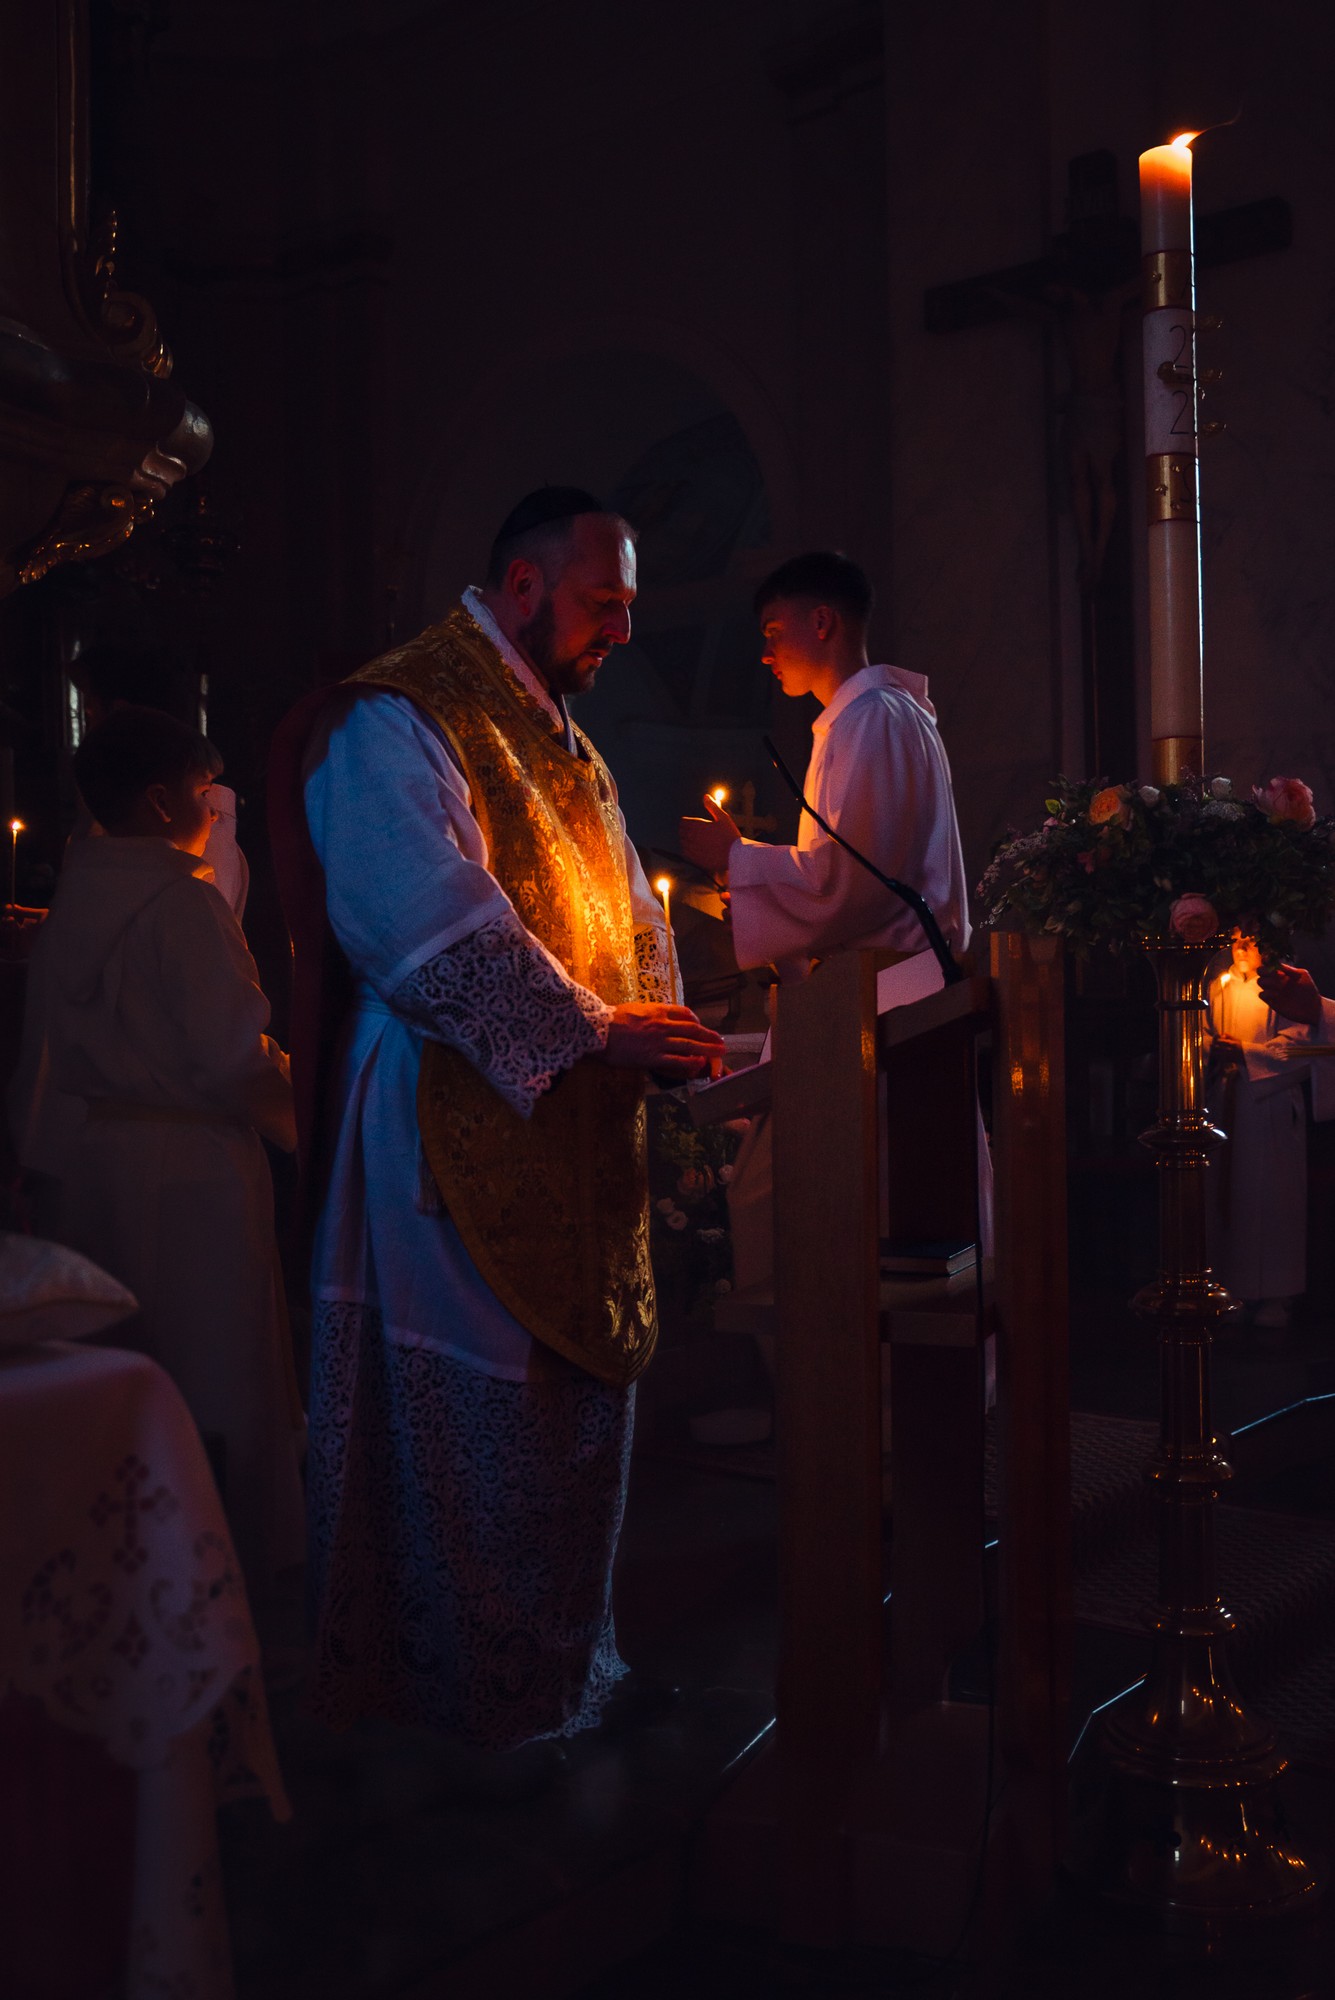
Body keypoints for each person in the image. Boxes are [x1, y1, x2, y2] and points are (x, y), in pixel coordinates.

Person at [274, 487, 723, 1771]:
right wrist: (597, 1030)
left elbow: (632, 906)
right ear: (522, 586)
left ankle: (563, 1671)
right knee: (470, 1415)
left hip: (569, 1112)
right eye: (602, 603)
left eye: (628, 606)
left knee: (563, 1417)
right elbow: (417, 913)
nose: (621, 630)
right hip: (440, 1112)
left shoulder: (566, 743)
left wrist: (660, 1020)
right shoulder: (398, 714)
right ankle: (461, 1700)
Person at [25, 706, 304, 1591]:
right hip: (192, 1173)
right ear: (158, 800)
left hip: (101, 1159)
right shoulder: (182, 899)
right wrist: (309, 1108)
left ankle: (128, 1571)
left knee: (129, 1369)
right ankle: (220, 1574)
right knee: (212, 1373)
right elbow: (229, 1054)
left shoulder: (78, 893)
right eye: (200, 791)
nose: (210, 809)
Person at [678, 550, 974, 1297]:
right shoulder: (878, 716)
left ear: (821, 622)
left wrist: (736, 859)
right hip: (884, 995)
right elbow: (859, 873)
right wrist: (754, 878)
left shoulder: (869, 721)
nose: (766, 652)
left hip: (880, 1008)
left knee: (809, 1210)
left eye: (773, 631)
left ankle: (831, 1368)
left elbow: (851, 885)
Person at [1206, 933, 1309, 1328]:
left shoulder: (1286, 988)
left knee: (1273, 1197)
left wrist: (1247, 1052)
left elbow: (1304, 1046)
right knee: (1230, 1194)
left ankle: (1277, 1294)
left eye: (1250, 940)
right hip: (1227, 1098)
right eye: (1235, 940)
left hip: (1270, 1104)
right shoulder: (1217, 987)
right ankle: (1230, 1287)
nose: (1241, 948)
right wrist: (1213, 1048)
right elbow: (1197, 1031)